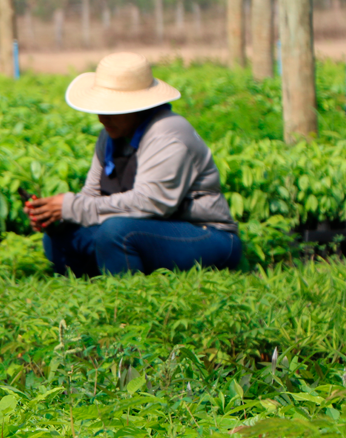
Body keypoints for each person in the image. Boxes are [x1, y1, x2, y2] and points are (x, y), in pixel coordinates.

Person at [24, 53, 241, 276]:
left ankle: (127, 299)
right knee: (60, 235)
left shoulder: (167, 133)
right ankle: (90, 290)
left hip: (205, 234)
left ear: (137, 107)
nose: (101, 118)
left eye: (111, 109)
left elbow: (150, 203)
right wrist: (57, 214)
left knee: (117, 232)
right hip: (146, 230)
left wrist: (72, 206)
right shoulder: (109, 136)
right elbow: (92, 195)